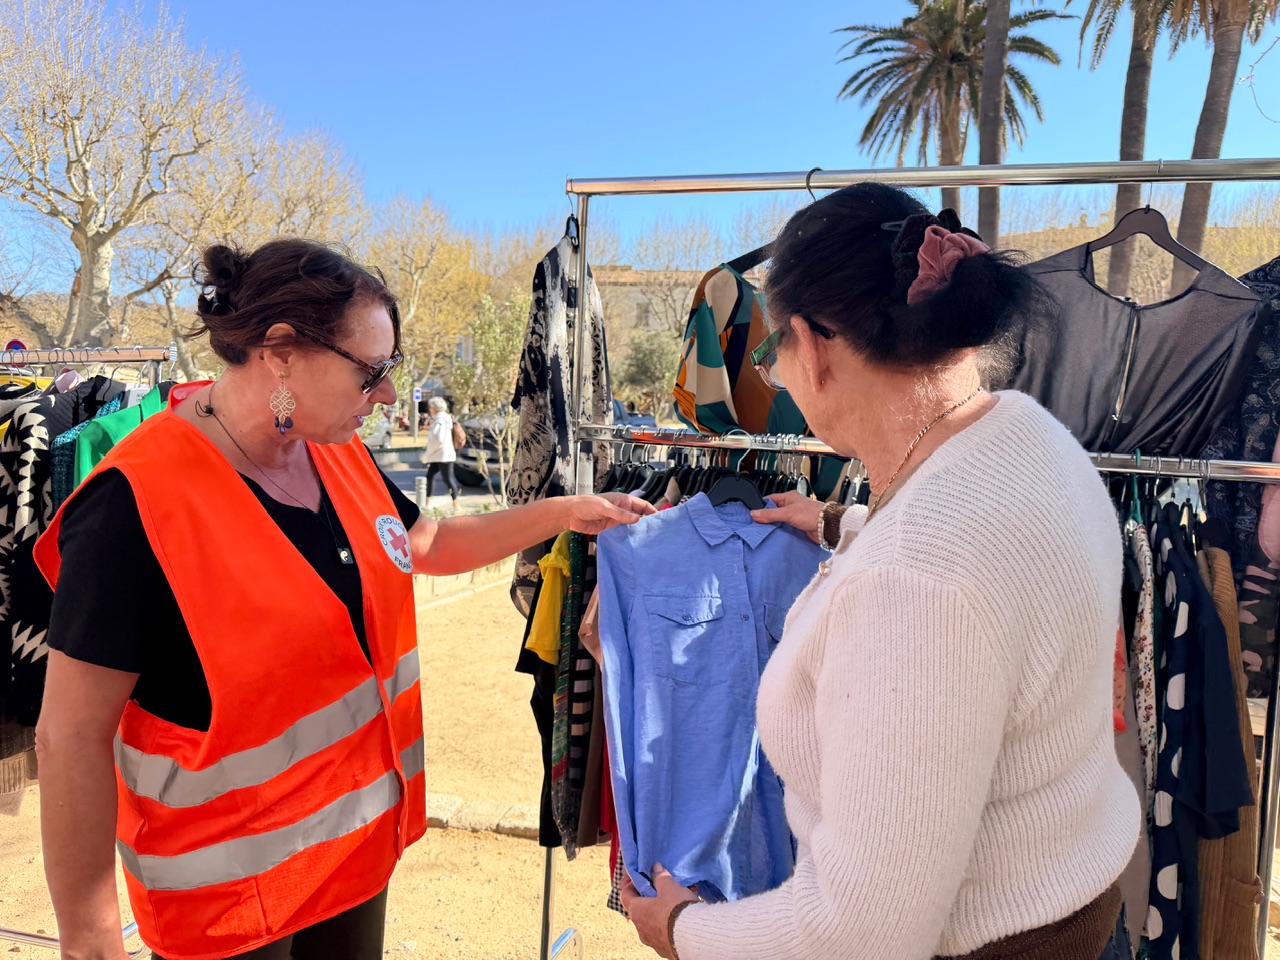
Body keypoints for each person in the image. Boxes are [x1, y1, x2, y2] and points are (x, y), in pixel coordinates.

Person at [33, 238, 652, 960]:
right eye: (372, 372)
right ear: (282, 351)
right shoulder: (132, 503)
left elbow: (425, 545)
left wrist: (562, 512)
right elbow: (70, 735)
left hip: (350, 857)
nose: (388, 394)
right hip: (228, 900)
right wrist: (90, 938)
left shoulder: (337, 451)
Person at [620, 184, 1140, 960]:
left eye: (771, 354)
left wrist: (684, 931)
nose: (780, 378)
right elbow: (994, 575)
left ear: (815, 347)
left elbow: (861, 933)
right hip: (1073, 900)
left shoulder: (917, 577)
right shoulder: (1031, 436)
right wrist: (841, 524)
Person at [421, 396, 460, 509]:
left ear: (434, 408)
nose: (429, 409)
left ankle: (456, 504)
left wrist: (429, 452)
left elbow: (438, 439)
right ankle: (428, 503)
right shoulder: (444, 418)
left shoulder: (440, 420)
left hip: (441, 454)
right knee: (432, 476)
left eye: (430, 407)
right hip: (441, 454)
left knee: (447, 479)